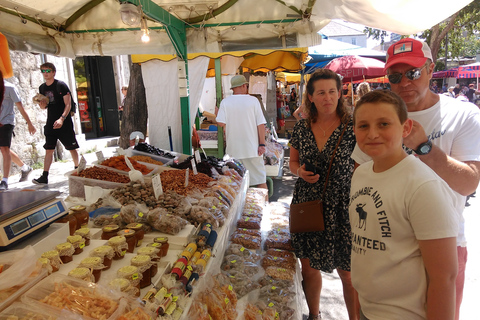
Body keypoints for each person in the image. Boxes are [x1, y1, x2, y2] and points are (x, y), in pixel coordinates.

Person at [352, 38, 480, 320]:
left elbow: (469, 183)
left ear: (430, 68)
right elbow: (363, 174)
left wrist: (424, 148)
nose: (404, 82)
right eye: (396, 76)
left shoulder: (462, 114)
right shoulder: (379, 112)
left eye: (413, 72)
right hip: (386, 245)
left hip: (441, 241)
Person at [350, 90, 459, 320]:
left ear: (406, 128)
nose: (372, 134)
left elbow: (445, 277)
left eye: (383, 124)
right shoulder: (361, 175)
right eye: (363, 126)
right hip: (368, 310)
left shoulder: (423, 185)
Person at [289, 69, 358, 320]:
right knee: (308, 267)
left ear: (340, 94)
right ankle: (314, 315)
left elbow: (363, 166)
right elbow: (292, 162)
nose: (327, 97)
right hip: (308, 203)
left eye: (332, 91)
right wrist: (299, 172)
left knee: (348, 272)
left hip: (343, 205)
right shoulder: (302, 128)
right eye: (321, 92)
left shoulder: (353, 127)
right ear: (310, 96)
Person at [216, 75, 267, 189]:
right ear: (244, 86)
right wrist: (262, 144)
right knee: (260, 181)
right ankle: (264, 205)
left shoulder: (225, 102)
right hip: (252, 150)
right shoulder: (253, 101)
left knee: (235, 184)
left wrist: (217, 113)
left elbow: (221, 123)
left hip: (233, 151)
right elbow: (261, 124)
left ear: (233, 88)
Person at [32, 62, 79, 185]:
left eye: (48, 71)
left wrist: (62, 119)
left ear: (53, 72)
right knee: (49, 149)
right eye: (43, 71)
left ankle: (77, 169)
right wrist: (42, 106)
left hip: (64, 122)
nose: (45, 74)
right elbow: (45, 106)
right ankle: (44, 176)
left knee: (72, 147)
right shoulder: (42, 88)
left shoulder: (61, 85)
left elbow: (68, 104)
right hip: (51, 122)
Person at [0, 78, 36, 190]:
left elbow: (20, 106)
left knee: (4, 148)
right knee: (4, 149)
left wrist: (29, 123)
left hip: (6, 122)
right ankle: (25, 168)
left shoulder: (10, 87)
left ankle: (4, 181)